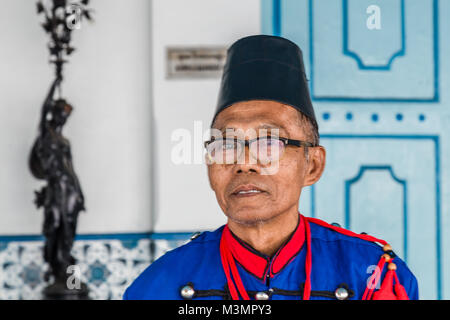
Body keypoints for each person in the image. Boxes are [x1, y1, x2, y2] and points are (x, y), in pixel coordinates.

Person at [123, 35, 418, 300]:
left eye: (269, 142)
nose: (244, 162)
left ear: (312, 165)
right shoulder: (160, 286)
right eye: (225, 144)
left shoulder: (373, 276)